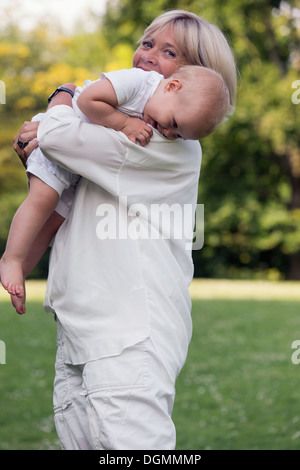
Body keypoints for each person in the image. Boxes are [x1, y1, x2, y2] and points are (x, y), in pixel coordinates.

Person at [10, 10, 237, 450]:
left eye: (170, 52)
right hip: (85, 331)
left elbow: (54, 133)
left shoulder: (166, 144)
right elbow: (57, 190)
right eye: (147, 43)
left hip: (127, 337)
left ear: (192, 77)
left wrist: (61, 96)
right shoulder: (128, 127)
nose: (149, 57)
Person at [0, 64, 230, 313]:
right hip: (58, 134)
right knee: (42, 199)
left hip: (76, 161)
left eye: (178, 135)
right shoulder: (137, 82)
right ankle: (11, 259)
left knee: (53, 221)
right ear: (172, 87)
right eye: (173, 123)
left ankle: (18, 275)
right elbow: (89, 99)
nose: (165, 132)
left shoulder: (162, 117)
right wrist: (124, 124)